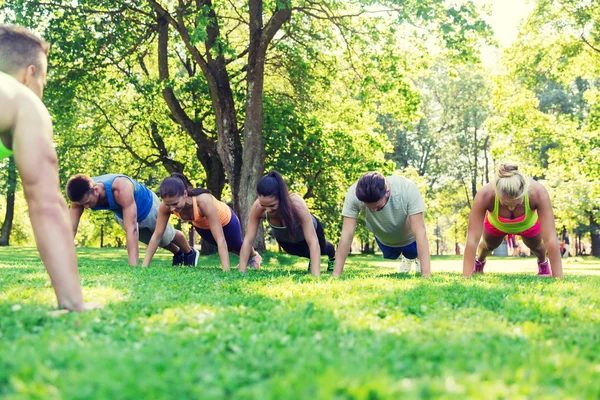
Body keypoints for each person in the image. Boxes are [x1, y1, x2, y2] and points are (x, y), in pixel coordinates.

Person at [0, 24, 86, 311]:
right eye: (44, 83)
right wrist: (73, 303)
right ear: (30, 73)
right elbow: (46, 204)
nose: (42, 92)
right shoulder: (23, 99)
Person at [66, 173, 196, 266]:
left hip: (148, 206)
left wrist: (133, 267)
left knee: (167, 235)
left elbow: (132, 229)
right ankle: (178, 253)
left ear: (95, 190)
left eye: (88, 202)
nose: (86, 207)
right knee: (151, 240)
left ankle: (190, 252)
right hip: (123, 213)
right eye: (83, 205)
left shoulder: (120, 188)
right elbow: (71, 229)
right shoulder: (79, 197)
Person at [142, 173, 261, 270]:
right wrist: (144, 266)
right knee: (230, 249)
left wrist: (226, 271)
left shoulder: (203, 202)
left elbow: (220, 239)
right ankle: (248, 258)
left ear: (184, 194)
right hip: (202, 226)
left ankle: (254, 256)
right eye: (168, 204)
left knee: (236, 245)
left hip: (227, 221)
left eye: (175, 204)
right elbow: (157, 235)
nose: (172, 208)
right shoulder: (166, 206)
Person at [462, 163, 563, 278]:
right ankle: (479, 262)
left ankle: (542, 264)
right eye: (505, 204)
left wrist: (558, 278)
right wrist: (466, 277)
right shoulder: (485, 195)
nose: (511, 208)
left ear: (524, 192)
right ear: (497, 193)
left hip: (528, 224)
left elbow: (550, 239)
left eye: (517, 203)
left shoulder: (537, 192)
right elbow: (472, 239)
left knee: (538, 247)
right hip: (496, 224)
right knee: (487, 246)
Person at [333, 172, 431, 277]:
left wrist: (426, 275)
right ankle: (406, 257)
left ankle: (413, 258)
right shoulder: (354, 194)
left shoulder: (407, 188)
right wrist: (336, 274)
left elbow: (420, 232)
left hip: (410, 239)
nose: (373, 211)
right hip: (384, 239)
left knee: (411, 253)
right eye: (369, 207)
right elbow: (346, 234)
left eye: (378, 207)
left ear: (387, 192)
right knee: (391, 254)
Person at [238, 170, 336, 276]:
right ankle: (312, 259)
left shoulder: (296, 204)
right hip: (286, 239)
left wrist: (315, 276)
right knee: (303, 253)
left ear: (282, 198)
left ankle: (332, 256)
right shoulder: (257, 208)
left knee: (322, 249)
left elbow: (312, 241)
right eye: (263, 205)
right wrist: (242, 272)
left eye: (272, 206)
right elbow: (248, 241)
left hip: (313, 232)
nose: (267, 210)